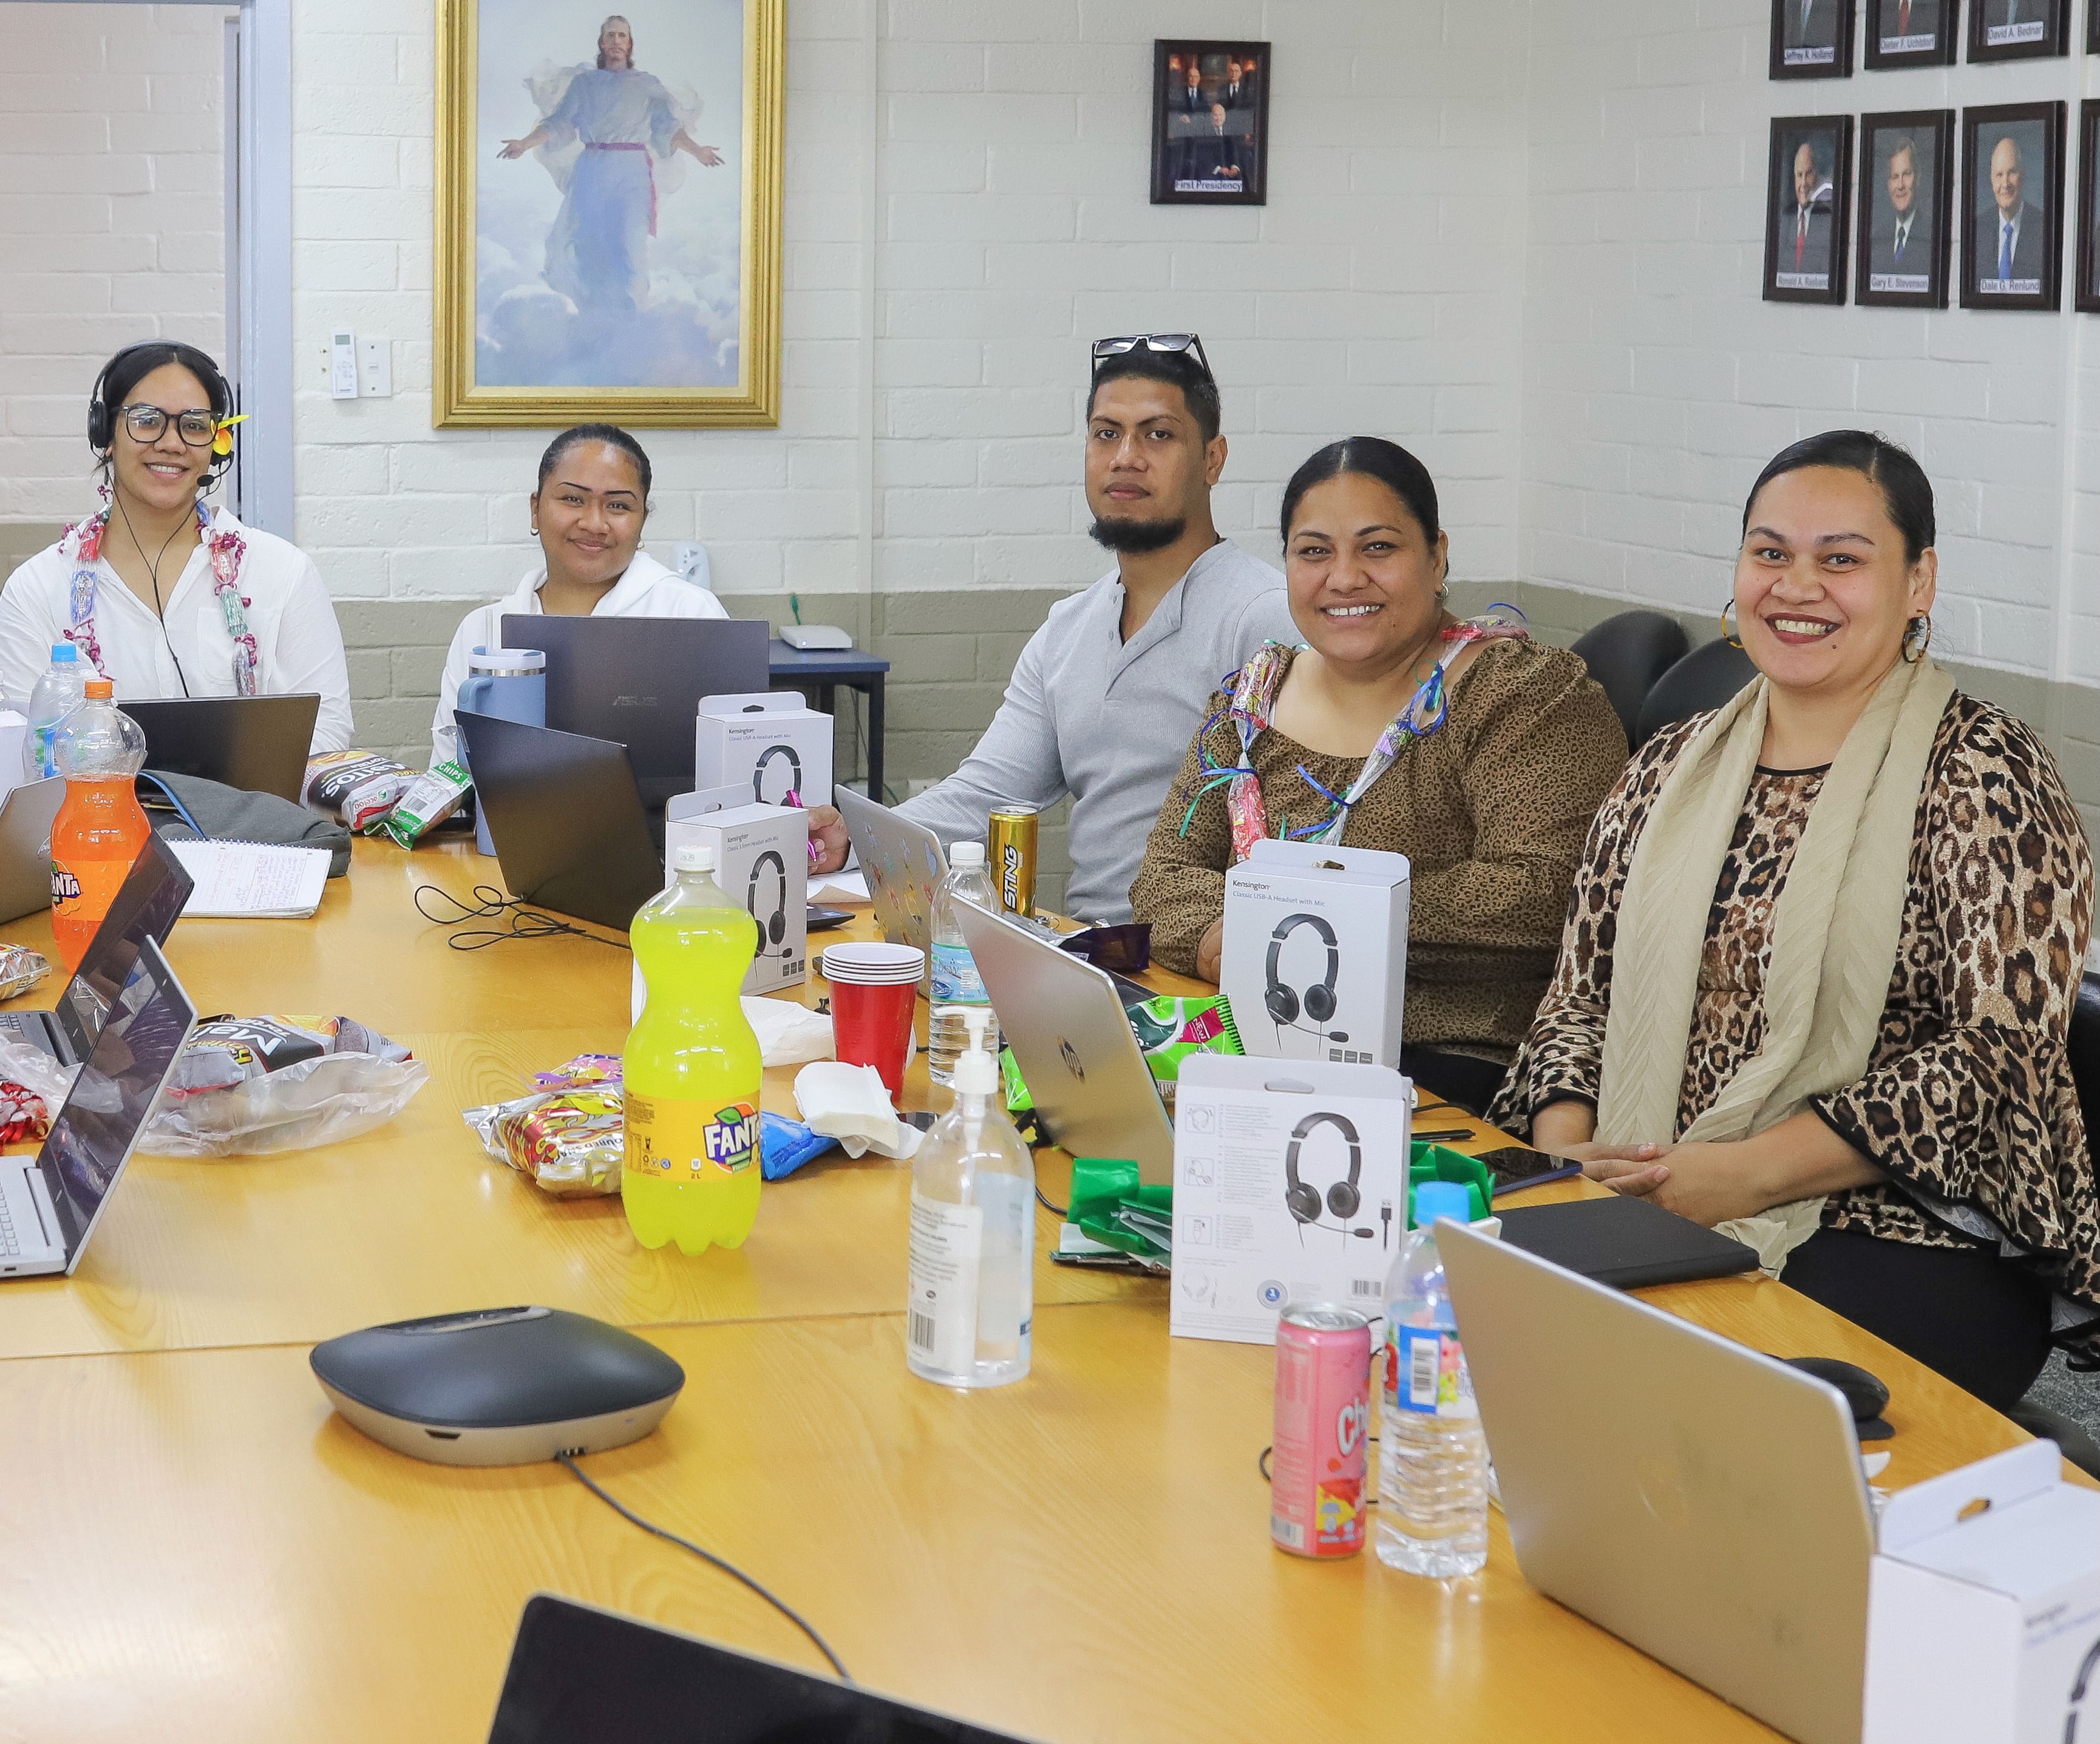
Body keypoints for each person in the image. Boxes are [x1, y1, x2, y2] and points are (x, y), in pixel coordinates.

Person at [1492, 432, 2098, 1413]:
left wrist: (1741, 1176)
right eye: (1769, 552)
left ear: (1918, 582)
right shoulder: (1669, 763)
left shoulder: (1986, 769)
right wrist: (1569, 1156)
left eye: (1842, 559)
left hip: (1902, 1225)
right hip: (1644, 1179)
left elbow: (2000, 1050)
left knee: (1709, 1404)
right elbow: (1580, 990)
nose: (1796, 586)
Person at [1129, 437, 1628, 1110]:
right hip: (1252, 1038)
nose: (1343, 577)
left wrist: (1297, 928)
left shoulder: (1523, 695)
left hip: (1447, 1065)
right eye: (1313, 551)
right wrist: (1242, 936)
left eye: (1377, 547)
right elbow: (1164, 873)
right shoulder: (1252, 697)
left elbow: (1542, 892)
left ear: (1437, 555)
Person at [804, 334, 1299, 926]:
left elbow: (1302, 832)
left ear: (1212, 459)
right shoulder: (1069, 628)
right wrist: (854, 838)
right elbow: (987, 794)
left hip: (1207, 966)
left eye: (1158, 434)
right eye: (1105, 433)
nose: (1126, 457)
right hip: (1094, 951)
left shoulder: (1264, 616)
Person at [0, 340, 354, 755]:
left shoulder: (281, 573)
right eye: (146, 420)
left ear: (215, 443)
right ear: (105, 433)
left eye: (194, 425)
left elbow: (326, 731)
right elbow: (17, 747)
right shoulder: (37, 589)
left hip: (250, 817)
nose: (172, 443)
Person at [426, 422, 726, 767]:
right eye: (573, 499)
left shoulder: (688, 611)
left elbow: (731, 761)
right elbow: (449, 772)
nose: (594, 523)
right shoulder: (484, 628)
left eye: (618, 506)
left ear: (642, 520)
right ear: (536, 509)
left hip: (672, 822)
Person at [495, 15, 725, 314]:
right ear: (602, 43)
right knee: (588, 245)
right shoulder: (585, 84)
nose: (616, 41)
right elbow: (560, 123)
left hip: (631, 172)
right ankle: (594, 322)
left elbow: (668, 127)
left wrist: (698, 152)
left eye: (622, 36)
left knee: (631, 247)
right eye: (611, 36)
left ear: (630, 45)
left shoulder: (646, 85)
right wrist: (524, 144)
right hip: (592, 168)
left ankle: (632, 318)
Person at [1982, 133, 2047, 293]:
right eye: (1999, 175)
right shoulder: (1977, 229)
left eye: (2012, 172)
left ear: (2022, 175)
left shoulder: (2045, 228)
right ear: (1991, 180)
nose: (2005, 183)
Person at [1869, 135, 1931, 286]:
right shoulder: (1877, 239)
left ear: (1917, 177)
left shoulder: (1931, 233)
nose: (1901, 185)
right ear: (1889, 184)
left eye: (1907, 174)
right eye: (1895, 177)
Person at [1779, 137, 1833, 283]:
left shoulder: (1828, 219)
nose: (1803, 183)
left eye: (1808, 174)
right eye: (1799, 175)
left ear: (1817, 174)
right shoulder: (1784, 221)